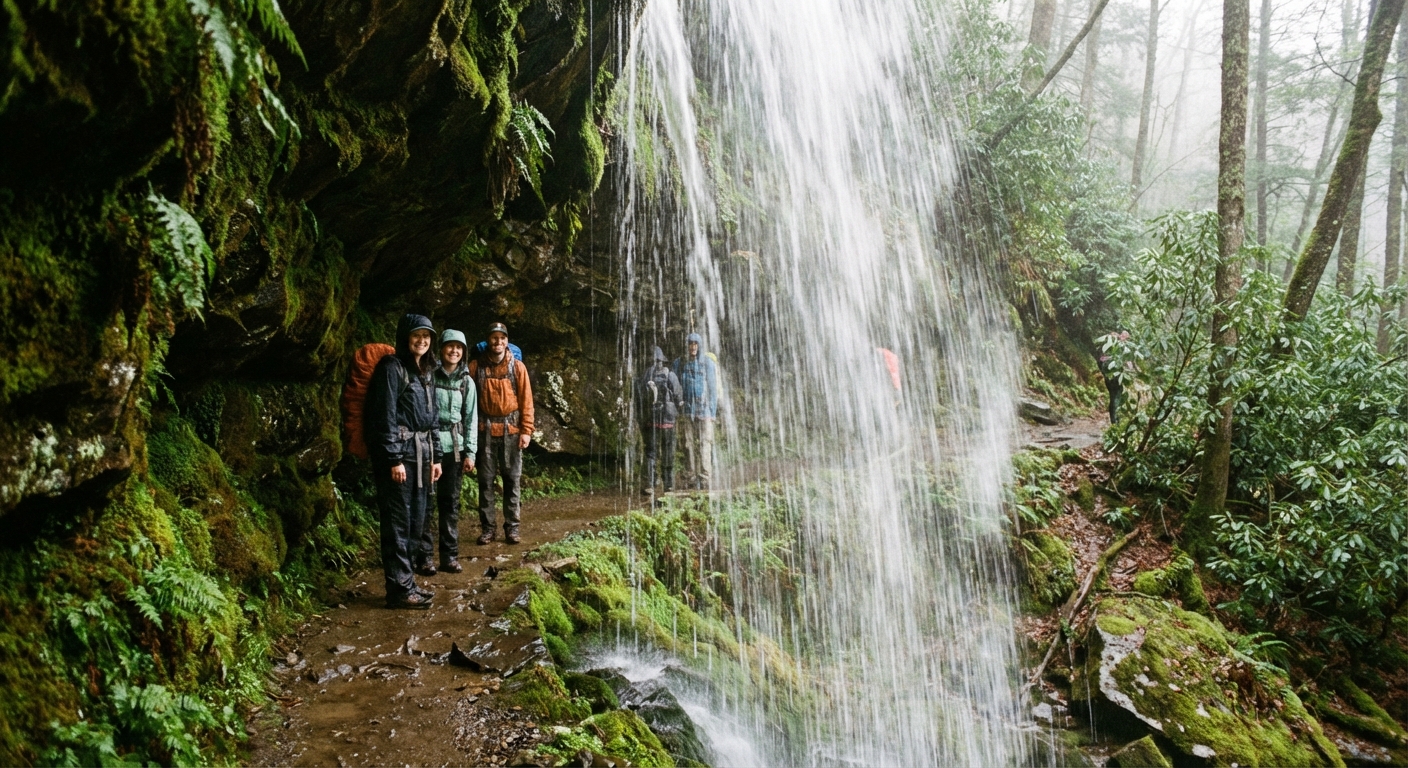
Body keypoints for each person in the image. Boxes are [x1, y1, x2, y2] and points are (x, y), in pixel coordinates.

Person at [365, 314, 442, 609]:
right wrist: (393, 458)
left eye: (426, 336)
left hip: (422, 456)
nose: (422, 340)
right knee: (398, 521)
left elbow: (433, 419)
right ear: (404, 337)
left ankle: (408, 583)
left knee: (416, 521)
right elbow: (384, 416)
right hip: (399, 457)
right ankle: (398, 589)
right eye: (416, 335)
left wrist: (436, 457)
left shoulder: (427, 371)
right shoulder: (392, 368)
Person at [416, 329, 477, 576]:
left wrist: (470, 452)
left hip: (455, 449)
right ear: (441, 349)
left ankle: (449, 557)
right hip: (430, 446)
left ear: (463, 353)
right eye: (450, 346)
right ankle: (424, 558)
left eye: (459, 348)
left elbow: (471, 418)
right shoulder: (429, 375)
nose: (454, 351)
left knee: (450, 504)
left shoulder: (466, 382)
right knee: (426, 504)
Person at [469, 323, 534, 545]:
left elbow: (527, 402)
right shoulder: (475, 367)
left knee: (512, 481)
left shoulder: (518, 368)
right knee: (485, 481)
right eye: (494, 338)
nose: (498, 342)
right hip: (484, 430)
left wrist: (527, 430)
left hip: (512, 431)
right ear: (488, 340)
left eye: (502, 338)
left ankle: (512, 528)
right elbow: (467, 401)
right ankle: (488, 528)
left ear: (507, 341)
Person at [673, 333, 718, 490]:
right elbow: (675, 386)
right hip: (686, 410)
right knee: (687, 443)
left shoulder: (708, 363)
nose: (693, 347)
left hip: (704, 410)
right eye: (690, 343)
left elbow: (713, 388)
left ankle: (705, 477)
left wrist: (712, 411)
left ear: (700, 345)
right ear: (687, 345)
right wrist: (678, 406)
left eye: (695, 344)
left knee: (705, 443)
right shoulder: (680, 363)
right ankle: (690, 476)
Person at [638, 346, 683, 497]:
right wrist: (679, 408)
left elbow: (642, 395)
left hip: (652, 419)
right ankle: (668, 485)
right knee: (667, 451)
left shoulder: (647, 374)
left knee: (651, 452)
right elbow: (677, 395)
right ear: (662, 360)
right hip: (668, 420)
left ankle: (650, 484)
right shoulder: (670, 375)